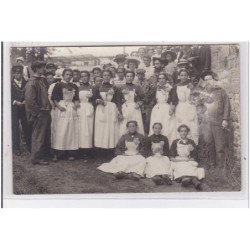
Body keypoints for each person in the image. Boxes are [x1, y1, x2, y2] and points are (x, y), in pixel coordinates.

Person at [200, 70, 230, 169]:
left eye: (209, 79)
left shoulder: (220, 91)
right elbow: (199, 107)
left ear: (214, 80)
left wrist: (225, 119)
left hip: (218, 121)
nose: (208, 81)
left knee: (220, 145)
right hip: (206, 123)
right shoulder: (202, 93)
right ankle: (212, 165)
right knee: (209, 144)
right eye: (205, 80)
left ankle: (221, 168)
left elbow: (227, 105)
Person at [25, 61, 51, 165]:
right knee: (38, 135)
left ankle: (40, 156)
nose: (44, 69)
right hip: (39, 113)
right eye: (42, 67)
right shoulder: (32, 82)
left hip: (44, 112)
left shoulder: (41, 80)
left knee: (42, 135)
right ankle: (35, 158)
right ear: (36, 69)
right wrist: (37, 113)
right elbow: (30, 101)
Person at [51, 68, 79, 162]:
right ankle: (56, 153)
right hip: (61, 107)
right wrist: (59, 107)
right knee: (60, 130)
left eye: (71, 75)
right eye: (67, 74)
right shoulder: (58, 85)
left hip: (71, 108)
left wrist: (76, 104)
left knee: (70, 130)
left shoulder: (74, 86)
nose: (69, 76)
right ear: (63, 75)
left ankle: (69, 152)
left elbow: (76, 98)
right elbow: (54, 98)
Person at [93, 69, 122, 158]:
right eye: (104, 75)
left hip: (111, 109)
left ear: (111, 77)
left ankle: (110, 150)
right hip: (101, 109)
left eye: (108, 75)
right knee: (101, 128)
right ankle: (100, 151)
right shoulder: (97, 87)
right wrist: (97, 101)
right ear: (102, 76)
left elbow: (118, 101)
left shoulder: (115, 87)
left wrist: (119, 112)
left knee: (111, 128)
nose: (106, 77)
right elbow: (93, 99)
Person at [169, 68, 199, 144]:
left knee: (192, 127)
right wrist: (172, 109)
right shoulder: (176, 86)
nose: (183, 77)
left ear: (188, 76)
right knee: (181, 125)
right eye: (181, 75)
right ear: (179, 76)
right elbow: (174, 100)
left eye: (185, 75)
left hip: (190, 107)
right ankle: (181, 147)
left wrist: (192, 90)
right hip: (180, 108)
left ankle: (192, 147)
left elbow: (196, 96)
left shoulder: (192, 85)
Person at [170, 124, 204, 190]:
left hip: (188, 159)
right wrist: (177, 160)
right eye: (181, 131)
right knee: (180, 166)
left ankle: (193, 182)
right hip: (178, 160)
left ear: (187, 132)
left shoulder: (191, 142)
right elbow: (171, 155)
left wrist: (190, 159)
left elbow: (194, 154)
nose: (183, 133)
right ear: (179, 132)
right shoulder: (175, 142)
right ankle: (188, 180)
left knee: (190, 166)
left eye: (185, 131)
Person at [149, 73, 176, 144]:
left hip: (166, 108)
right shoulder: (155, 88)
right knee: (157, 124)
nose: (161, 80)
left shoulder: (170, 88)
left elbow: (174, 99)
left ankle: (167, 145)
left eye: (163, 78)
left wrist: (172, 109)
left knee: (167, 126)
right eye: (160, 79)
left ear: (166, 80)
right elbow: (148, 98)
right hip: (157, 109)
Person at [11, 64, 31, 155]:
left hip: (24, 108)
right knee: (15, 128)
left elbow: (29, 94)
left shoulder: (26, 83)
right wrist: (15, 102)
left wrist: (26, 101)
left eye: (20, 73)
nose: (19, 75)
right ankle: (16, 148)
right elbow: (5, 96)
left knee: (26, 127)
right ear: (13, 74)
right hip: (14, 108)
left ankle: (30, 146)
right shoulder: (9, 84)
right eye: (16, 73)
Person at [119, 70, 145, 136]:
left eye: (131, 76)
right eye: (127, 76)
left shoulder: (137, 87)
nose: (129, 78)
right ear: (125, 77)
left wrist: (139, 103)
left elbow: (143, 98)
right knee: (124, 124)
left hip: (134, 108)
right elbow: (118, 100)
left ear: (133, 77)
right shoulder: (121, 87)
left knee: (136, 123)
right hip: (125, 108)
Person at [77, 71, 94, 157]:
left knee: (89, 128)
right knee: (81, 128)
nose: (84, 78)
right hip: (80, 108)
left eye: (86, 76)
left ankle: (89, 149)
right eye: (82, 76)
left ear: (89, 77)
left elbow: (95, 99)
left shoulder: (92, 87)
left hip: (89, 108)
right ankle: (80, 148)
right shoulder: (78, 88)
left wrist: (91, 99)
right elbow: (75, 99)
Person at [135, 68, 155, 134]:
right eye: (138, 74)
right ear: (136, 75)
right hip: (138, 103)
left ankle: (146, 133)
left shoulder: (148, 82)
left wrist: (148, 99)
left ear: (144, 75)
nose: (140, 76)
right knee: (139, 119)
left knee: (147, 120)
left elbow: (152, 91)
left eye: (141, 74)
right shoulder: (134, 82)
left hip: (147, 103)